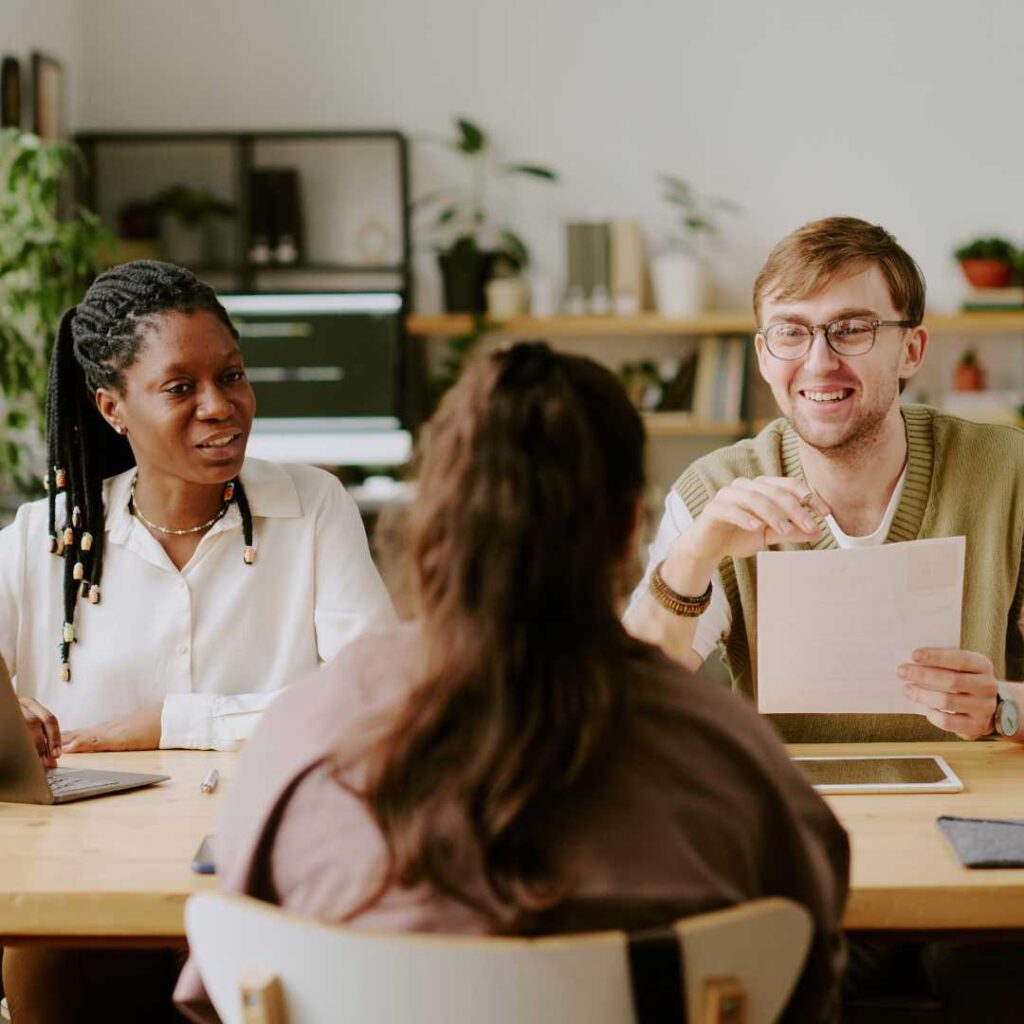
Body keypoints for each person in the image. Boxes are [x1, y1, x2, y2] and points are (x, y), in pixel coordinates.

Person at [175, 342, 850, 1024]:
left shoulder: (306, 729)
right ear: (627, 534)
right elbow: (807, 972)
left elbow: (219, 983)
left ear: (433, 523)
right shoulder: (726, 749)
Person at [1, 260, 396, 1023]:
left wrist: (170, 723)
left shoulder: (312, 507)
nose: (222, 407)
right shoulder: (40, 540)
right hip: (87, 897)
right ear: (112, 408)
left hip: (266, 881)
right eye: (181, 387)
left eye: (234, 376)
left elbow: (373, 704)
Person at [625, 216, 1024, 746]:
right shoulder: (716, 490)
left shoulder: (1009, 472)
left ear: (912, 349)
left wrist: (1003, 707)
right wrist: (693, 557)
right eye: (791, 331)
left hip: (972, 813)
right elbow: (624, 709)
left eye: (853, 328)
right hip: (791, 815)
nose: (819, 362)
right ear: (764, 356)